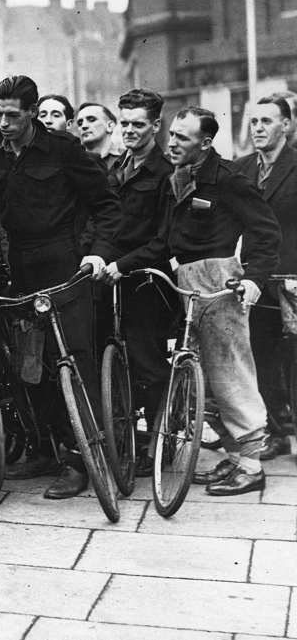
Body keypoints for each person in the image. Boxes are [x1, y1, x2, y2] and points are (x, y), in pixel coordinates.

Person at [102, 106, 280, 496]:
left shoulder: (228, 179)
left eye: (183, 137)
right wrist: (123, 264)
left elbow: (267, 233)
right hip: (186, 281)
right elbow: (164, 241)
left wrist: (253, 279)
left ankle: (252, 466)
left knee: (231, 372)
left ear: (206, 143)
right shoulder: (178, 178)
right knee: (206, 379)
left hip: (219, 282)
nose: (172, 142)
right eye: (173, 134)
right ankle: (235, 457)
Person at [0, 75, 122, 499]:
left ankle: (82, 459)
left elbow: (107, 207)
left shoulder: (64, 148)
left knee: (73, 360)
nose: (3, 123)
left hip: (63, 265)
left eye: (12, 115)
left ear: (32, 111)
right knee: (31, 366)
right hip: (18, 268)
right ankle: (47, 449)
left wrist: (97, 253)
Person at [104, 88, 176, 474]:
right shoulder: (117, 167)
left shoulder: (166, 173)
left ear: (156, 125)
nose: (129, 130)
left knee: (149, 366)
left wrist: (124, 264)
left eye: (138, 124)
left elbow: (164, 241)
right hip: (112, 279)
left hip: (147, 284)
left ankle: (160, 445)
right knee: (120, 363)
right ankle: (130, 440)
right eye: (124, 123)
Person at [236, 97, 296, 460]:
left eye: (266, 121)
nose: (258, 127)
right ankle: (276, 432)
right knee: (260, 355)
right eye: (254, 121)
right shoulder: (241, 169)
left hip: (292, 275)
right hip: (256, 276)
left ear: (285, 125)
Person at [76, 102, 122, 167]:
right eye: (80, 123)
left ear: (110, 126)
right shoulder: (72, 161)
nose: (83, 126)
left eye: (91, 120)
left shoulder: (127, 157)